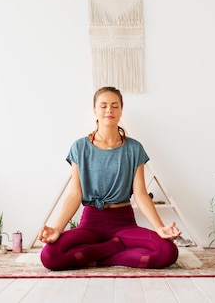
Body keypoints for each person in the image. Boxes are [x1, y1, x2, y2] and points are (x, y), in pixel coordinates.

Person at [38, 86, 181, 270]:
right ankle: (113, 247)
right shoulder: (80, 147)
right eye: (103, 105)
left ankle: (103, 255)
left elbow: (141, 194)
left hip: (124, 223)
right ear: (95, 111)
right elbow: (74, 194)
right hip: (90, 223)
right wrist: (56, 229)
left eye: (115, 106)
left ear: (121, 111)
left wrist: (160, 227)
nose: (109, 110)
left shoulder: (134, 148)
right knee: (50, 256)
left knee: (168, 252)